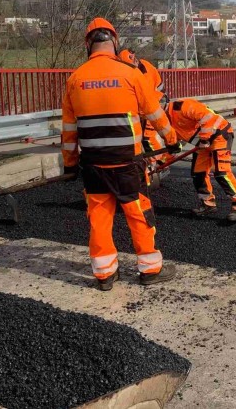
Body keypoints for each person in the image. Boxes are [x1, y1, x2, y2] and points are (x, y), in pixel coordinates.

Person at [61, 18, 182, 291]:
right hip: (127, 162)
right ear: (115, 42)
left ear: (87, 44)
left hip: (93, 164)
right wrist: (172, 140)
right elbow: (155, 113)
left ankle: (104, 274)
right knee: (138, 212)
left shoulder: (75, 79)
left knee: (99, 216)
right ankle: (150, 269)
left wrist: (70, 165)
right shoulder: (130, 73)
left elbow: (68, 130)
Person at [166, 98, 236, 222]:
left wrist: (204, 139)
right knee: (198, 173)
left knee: (221, 172)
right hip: (203, 142)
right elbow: (178, 139)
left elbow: (208, 117)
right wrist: (164, 158)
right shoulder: (165, 120)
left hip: (219, 135)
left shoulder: (181, 106)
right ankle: (208, 204)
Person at [117, 49, 172, 178]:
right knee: (145, 138)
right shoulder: (143, 65)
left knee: (148, 138)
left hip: (154, 105)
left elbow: (144, 100)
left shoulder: (142, 74)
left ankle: (160, 164)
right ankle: (155, 164)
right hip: (155, 103)